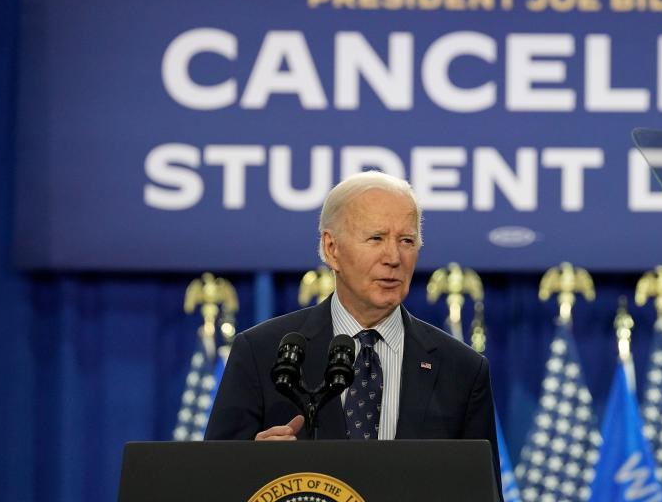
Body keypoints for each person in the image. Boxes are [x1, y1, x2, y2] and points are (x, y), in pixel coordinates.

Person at [205, 171, 501, 487]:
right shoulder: (261, 353)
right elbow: (211, 483)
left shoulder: (462, 370)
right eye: (376, 238)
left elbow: (481, 491)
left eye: (407, 241)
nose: (393, 257)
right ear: (332, 249)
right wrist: (249, 468)